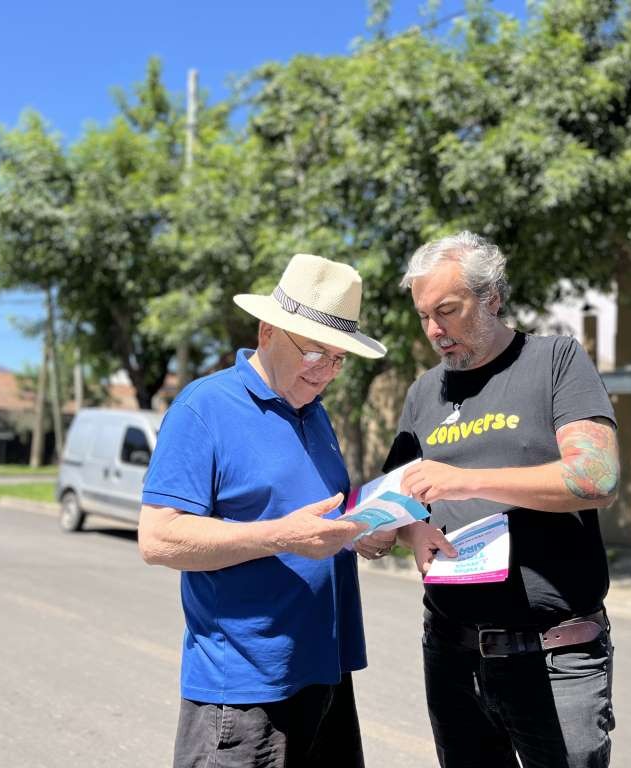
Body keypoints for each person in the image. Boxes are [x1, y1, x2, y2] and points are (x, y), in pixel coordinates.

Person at [355, 231, 619, 768]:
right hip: (452, 654)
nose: (434, 330)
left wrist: (466, 481)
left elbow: (597, 476)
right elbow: (399, 499)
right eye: (424, 316)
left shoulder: (554, 361)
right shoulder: (424, 393)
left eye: (447, 311)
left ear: (492, 297)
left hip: (555, 655)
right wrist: (408, 532)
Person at [138, 253, 386, 768]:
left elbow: (312, 516)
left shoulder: (315, 413)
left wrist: (362, 528)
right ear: (268, 331)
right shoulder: (202, 408)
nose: (328, 373)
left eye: (340, 359)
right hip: (245, 692)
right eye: (318, 354)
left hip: (327, 675)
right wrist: (281, 536)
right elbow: (158, 539)